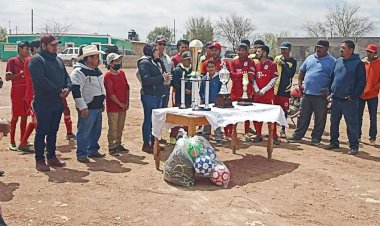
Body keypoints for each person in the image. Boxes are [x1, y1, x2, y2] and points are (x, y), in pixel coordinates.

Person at [28, 34, 72, 171]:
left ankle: (51, 156)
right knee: (41, 132)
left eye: (56, 45)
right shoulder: (36, 60)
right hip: (43, 102)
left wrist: (68, 88)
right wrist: (59, 90)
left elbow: (66, 77)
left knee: (53, 130)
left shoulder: (58, 60)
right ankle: (39, 159)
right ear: (43, 46)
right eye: (52, 45)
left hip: (57, 102)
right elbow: (41, 80)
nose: (55, 47)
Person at [288, 40, 336, 146]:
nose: (318, 49)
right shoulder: (310, 58)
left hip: (321, 95)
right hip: (307, 94)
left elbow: (334, 78)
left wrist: (329, 91)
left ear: (327, 49)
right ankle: (298, 136)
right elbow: (301, 71)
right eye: (317, 47)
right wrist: (300, 84)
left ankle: (316, 138)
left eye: (321, 48)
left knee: (319, 118)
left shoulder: (332, 61)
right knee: (302, 116)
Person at [328, 40, 366, 155]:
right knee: (333, 122)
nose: (341, 50)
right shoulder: (338, 61)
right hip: (336, 98)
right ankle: (334, 142)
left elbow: (361, 83)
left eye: (343, 48)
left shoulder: (358, 63)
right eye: (341, 47)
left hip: (348, 100)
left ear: (351, 50)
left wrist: (353, 96)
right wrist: (330, 92)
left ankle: (354, 146)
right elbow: (332, 77)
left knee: (351, 123)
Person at [71, 45, 106, 163]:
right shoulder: (78, 72)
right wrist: (82, 107)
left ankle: (93, 150)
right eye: (96, 57)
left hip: (97, 106)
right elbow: (76, 91)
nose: (98, 59)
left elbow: (102, 88)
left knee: (96, 130)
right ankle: (81, 153)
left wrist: (103, 102)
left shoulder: (97, 71)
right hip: (87, 107)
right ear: (89, 59)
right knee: (84, 131)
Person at [138, 44, 172, 153]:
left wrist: (165, 77)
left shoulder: (157, 62)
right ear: (151, 51)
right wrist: (161, 78)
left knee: (156, 121)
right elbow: (146, 80)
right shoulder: (144, 63)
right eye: (156, 50)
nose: (159, 51)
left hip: (158, 95)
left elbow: (160, 76)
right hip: (149, 95)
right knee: (148, 119)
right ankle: (146, 143)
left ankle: (154, 143)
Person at [225, 40, 256, 140]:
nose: (241, 52)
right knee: (232, 112)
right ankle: (230, 132)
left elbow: (251, 76)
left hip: (247, 91)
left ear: (247, 52)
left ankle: (246, 132)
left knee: (247, 113)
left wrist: (240, 74)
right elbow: (232, 75)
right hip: (235, 91)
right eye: (239, 50)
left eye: (243, 50)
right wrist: (243, 73)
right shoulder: (234, 62)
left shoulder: (251, 62)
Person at [104, 53, 130, 156]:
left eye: (119, 61)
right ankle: (112, 146)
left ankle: (118, 144)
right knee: (113, 127)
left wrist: (127, 102)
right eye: (115, 61)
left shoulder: (122, 73)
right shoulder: (108, 76)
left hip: (123, 105)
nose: (118, 63)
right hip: (113, 106)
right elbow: (110, 93)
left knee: (120, 126)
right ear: (110, 63)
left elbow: (127, 88)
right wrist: (120, 103)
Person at [5, 41, 30, 151]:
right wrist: (21, 74)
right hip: (17, 92)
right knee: (15, 117)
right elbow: (7, 78)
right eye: (26, 49)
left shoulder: (29, 61)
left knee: (25, 116)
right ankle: (12, 141)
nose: (27, 51)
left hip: (27, 92)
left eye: (28, 49)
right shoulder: (12, 61)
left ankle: (23, 140)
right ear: (19, 49)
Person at [252, 45, 279, 144]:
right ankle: (258, 134)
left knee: (271, 116)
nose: (256, 53)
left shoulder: (272, 64)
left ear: (264, 53)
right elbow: (253, 78)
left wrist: (264, 90)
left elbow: (274, 79)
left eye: (258, 51)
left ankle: (274, 135)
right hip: (257, 95)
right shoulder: (256, 65)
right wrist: (257, 89)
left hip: (268, 96)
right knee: (257, 115)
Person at [17, 40, 40, 153]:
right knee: (36, 120)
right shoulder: (32, 60)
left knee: (34, 119)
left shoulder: (32, 60)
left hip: (33, 94)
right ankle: (39, 144)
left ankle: (23, 142)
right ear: (35, 49)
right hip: (33, 94)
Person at [274, 42, 297, 138]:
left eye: (285, 49)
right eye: (281, 49)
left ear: (289, 50)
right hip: (275, 88)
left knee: (284, 110)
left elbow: (290, 74)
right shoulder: (277, 58)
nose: (283, 51)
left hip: (285, 89)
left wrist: (283, 64)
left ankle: (282, 129)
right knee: (274, 109)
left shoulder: (293, 61)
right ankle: (273, 130)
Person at [169, 51, 193, 144]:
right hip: (179, 97)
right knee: (177, 116)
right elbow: (174, 83)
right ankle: (173, 135)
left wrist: (191, 90)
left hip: (189, 97)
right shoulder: (177, 70)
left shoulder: (192, 70)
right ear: (182, 60)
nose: (189, 61)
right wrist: (184, 90)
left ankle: (188, 135)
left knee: (188, 116)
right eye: (187, 60)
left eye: (190, 59)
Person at [359, 44, 380, 146]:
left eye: (371, 52)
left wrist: (374, 88)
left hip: (373, 95)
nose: (369, 53)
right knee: (358, 116)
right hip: (361, 94)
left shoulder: (379, 63)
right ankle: (357, 136)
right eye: (368, 51)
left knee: (373, 117)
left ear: (375, 53)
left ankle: (372, 137)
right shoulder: (362, 63)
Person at [200, 61, 223, 144]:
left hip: (216, 103)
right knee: (207, 120)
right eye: (209, 67)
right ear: (206, 68)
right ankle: (206, 137)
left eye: (212, 67)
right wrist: (203, 98)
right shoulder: (204, 78)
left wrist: (219, 99)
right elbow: (201, 90)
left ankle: (218, 137)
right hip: (206, 103)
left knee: (217, 120)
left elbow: (222, 89)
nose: (210, 69)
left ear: (215, 68)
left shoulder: (219, 78)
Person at [155, 35, 173, 109]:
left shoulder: (168, 58)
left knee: (164, 110)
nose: (162, 46)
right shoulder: (150, 58)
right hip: (155, 89)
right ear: (156, 44)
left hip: (166, 88)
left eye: (164, 44)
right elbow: (139, 74)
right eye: (160, 44)